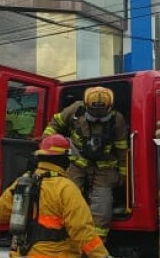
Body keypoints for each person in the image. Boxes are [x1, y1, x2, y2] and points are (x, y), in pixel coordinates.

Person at [42, 86, 129, 237]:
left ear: (110, 107)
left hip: (104, 169)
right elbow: (55, 124)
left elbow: (122, 147)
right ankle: (63, 237)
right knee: (66, 198)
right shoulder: (75, 110)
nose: (97, 115)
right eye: (93, 111)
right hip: (77, 164)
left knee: (102, 209)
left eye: (102, 111)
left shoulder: (117, 119)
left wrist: (122, 173)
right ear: (86, 105)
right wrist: (46, 143)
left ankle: (96, 246)